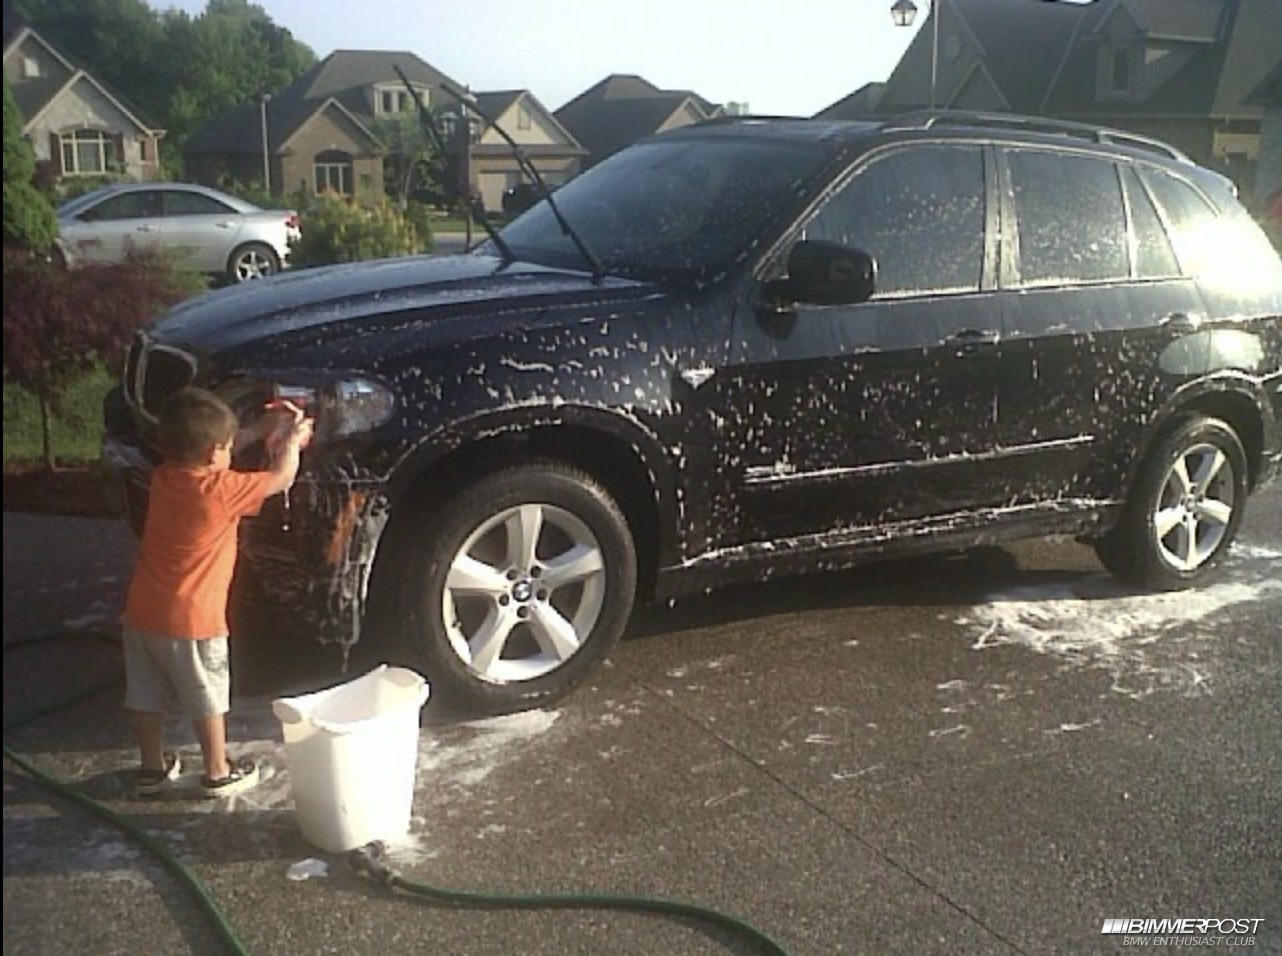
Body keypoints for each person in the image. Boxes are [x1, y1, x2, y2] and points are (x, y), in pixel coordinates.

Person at [122, 387, 313, 798]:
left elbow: (208, 450)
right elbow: (282, 478)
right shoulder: (221, 491)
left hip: (141, 615)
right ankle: (217, 771)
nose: (232, 450)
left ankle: (151, 769)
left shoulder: (163, 477)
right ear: (214, 454)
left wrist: (259, 429)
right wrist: (292, 442)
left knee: (145, 693)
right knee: (206, 694)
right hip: (195, 620)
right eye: (227, 447)